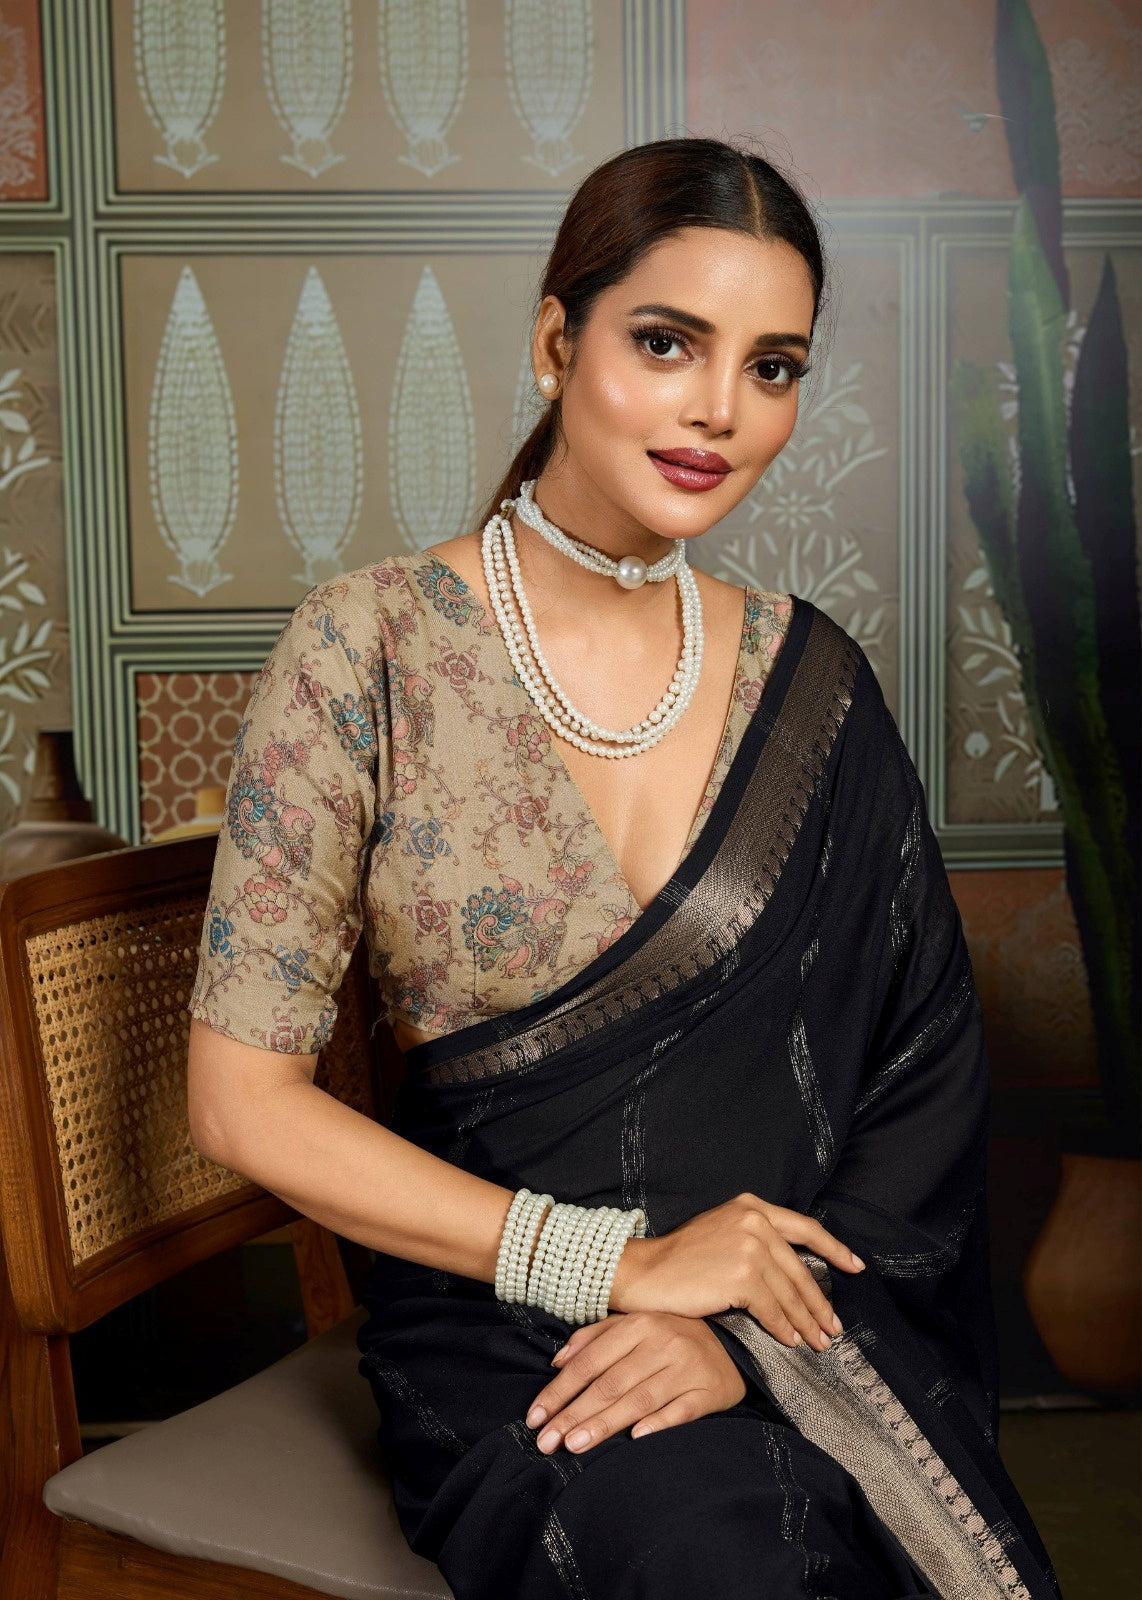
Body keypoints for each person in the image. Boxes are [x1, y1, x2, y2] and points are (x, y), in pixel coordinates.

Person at [187, 138, 1059, 1599]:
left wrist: (741, 1333)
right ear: (555, 342)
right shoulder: (367, 649)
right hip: (509, 1323)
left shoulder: (811, 682)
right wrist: (619, 1269)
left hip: (781, 1313)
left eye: (771, 367)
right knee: (727, 1553)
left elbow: (921, 1086)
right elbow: (240, 1102)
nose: (719, 408)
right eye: (666, 343)